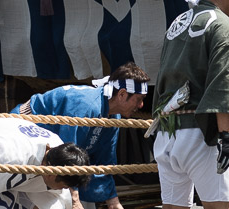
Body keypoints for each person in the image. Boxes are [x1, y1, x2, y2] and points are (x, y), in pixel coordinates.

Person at [151, 0, 229, 209]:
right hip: (200, 136)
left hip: (167, 134)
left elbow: (162, 76)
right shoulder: (222, 25)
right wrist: (226, 136)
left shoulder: (177, 22)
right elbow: (223, 83)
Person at [13, 63, 149, 209]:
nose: (141, 105)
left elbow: (103, 162)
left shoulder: (113, 117)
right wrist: (74, 198)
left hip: (54, 151)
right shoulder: (85, 105)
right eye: (139, 99)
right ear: (122, 94)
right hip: (24, 132)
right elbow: (65, 153)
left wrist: (113, 201)